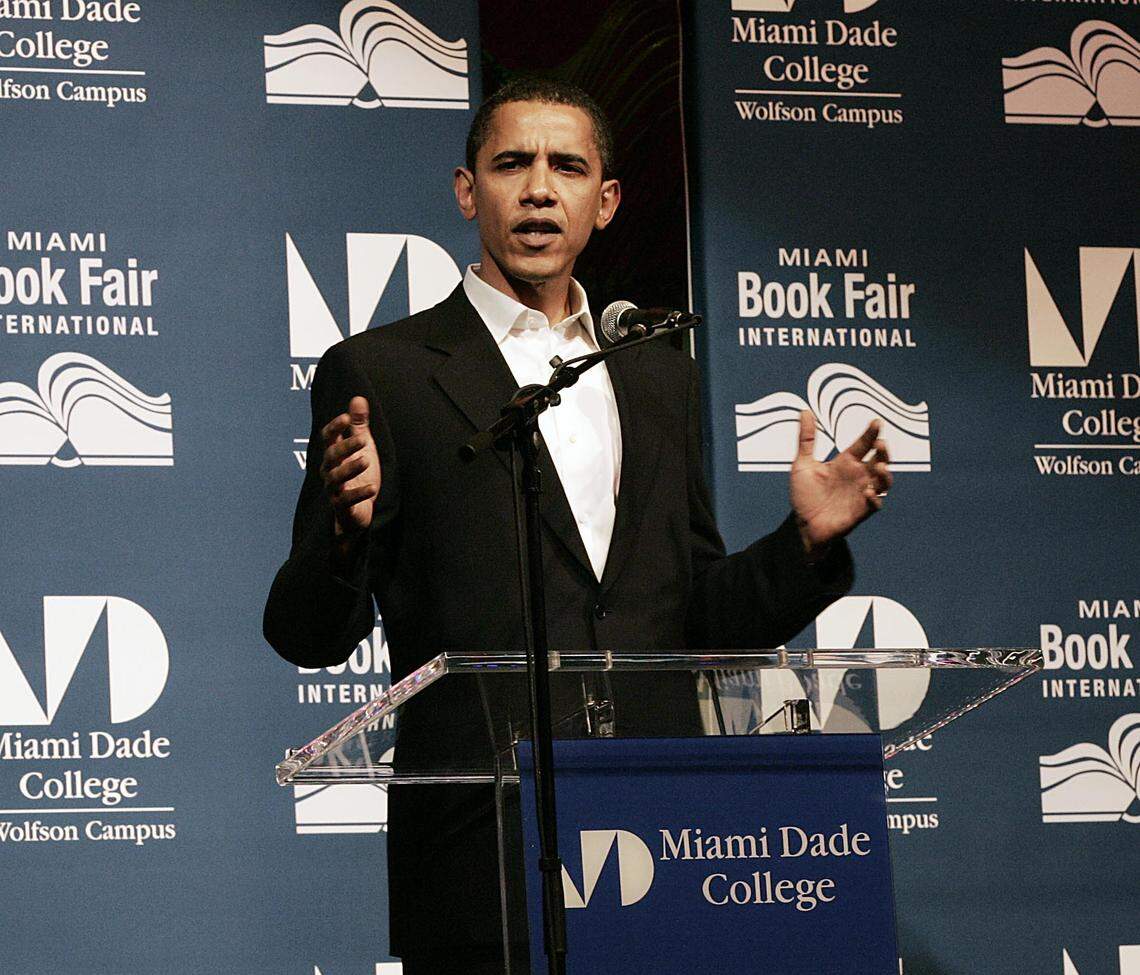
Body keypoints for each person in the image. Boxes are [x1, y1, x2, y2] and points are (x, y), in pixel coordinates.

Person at [264, 76, 891, 975]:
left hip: (662, 838)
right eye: (511, 163)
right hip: (482, 855)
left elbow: (696, 620)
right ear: (466, 189)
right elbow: (306, 633)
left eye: (567, 166)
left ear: (606, 202)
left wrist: (807, 545)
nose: (538, 188)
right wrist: (343, 533)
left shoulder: (655, 375)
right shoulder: (385, 372)